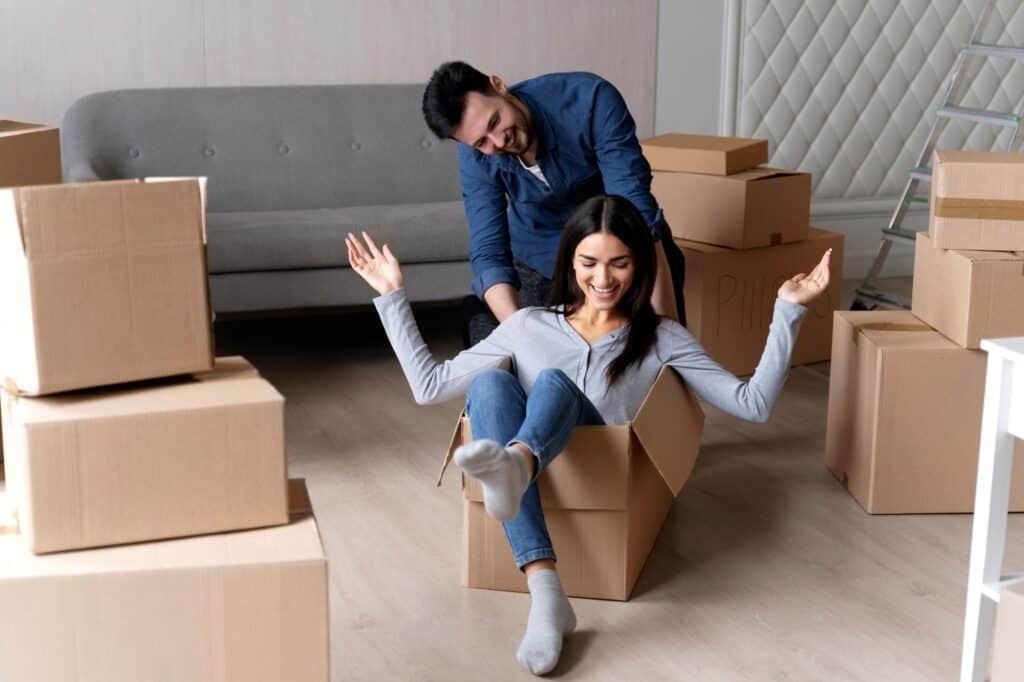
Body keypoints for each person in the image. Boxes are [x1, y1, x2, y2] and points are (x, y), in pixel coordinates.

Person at [345, 195, 831, 676]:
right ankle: (546, 590)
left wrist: (788, 309)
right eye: (589, 262)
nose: (603, 279)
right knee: (491, 382)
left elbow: (754, 404)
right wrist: (391, 296)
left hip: (601, 460)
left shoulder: (662, 338)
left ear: (639, 264)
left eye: (619, 264)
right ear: (569, 261)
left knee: (554, 383)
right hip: (531, 465)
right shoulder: (529, 324)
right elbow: (430, 387)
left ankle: (515, 467)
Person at [421, 61, 687, 346]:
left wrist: (670, 342)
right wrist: (522, 338)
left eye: (495, 122)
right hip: (541, 259)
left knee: (637, 346)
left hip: (617, 245)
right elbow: (489, 251)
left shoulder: (590, 99)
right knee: (530, 352)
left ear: (498, 85)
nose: (498, 142)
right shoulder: (475, 154)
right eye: (481, 142)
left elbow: (636, 214)